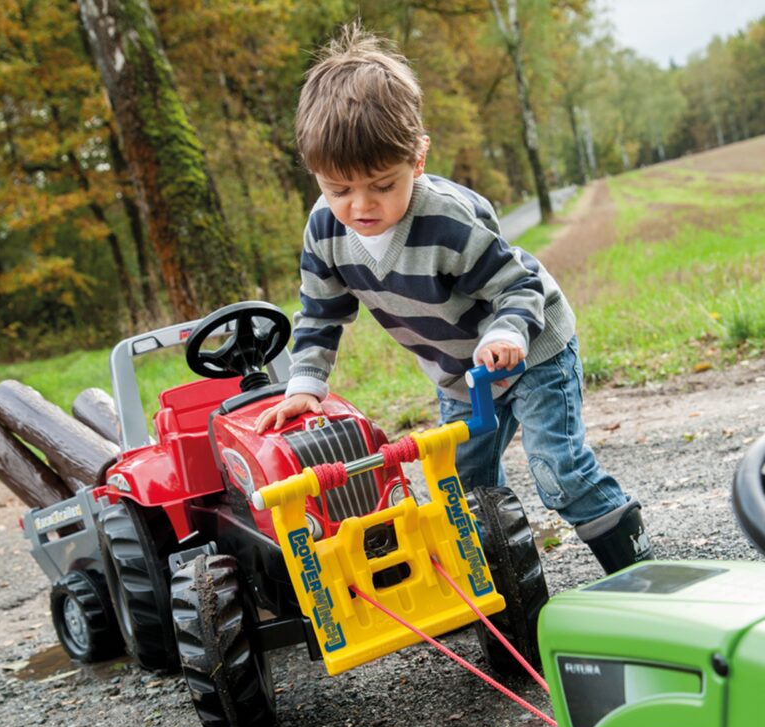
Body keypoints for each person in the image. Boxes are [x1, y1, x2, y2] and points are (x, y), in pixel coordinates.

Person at [255, 24, 652, 574]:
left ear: (416, 160)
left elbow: (517, 285)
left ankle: (639, 569)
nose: (361, 205)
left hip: (533, 350)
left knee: (557, 471)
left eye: (381, 185)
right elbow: (321, 312)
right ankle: (507, 593)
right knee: (464, 493)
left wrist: (508, 333)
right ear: (314, 171)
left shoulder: (444, 219)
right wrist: (306, 384)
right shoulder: (324, 231)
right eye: (339, 189)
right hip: (461, 378)